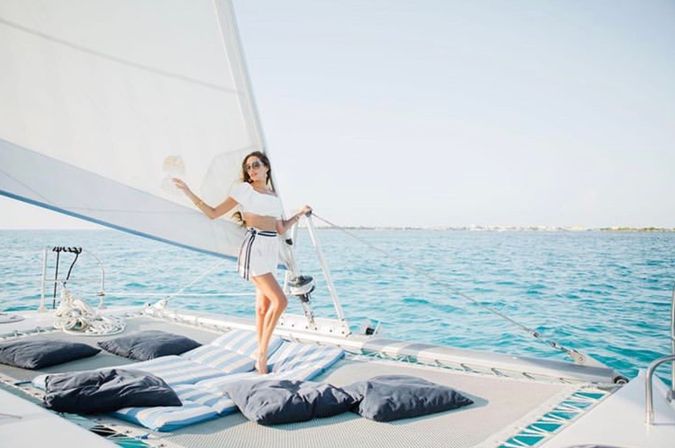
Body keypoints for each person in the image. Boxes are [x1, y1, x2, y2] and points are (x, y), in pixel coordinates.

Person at [173, 151, 311, 373]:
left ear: (266, 167)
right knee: (281, 301)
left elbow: (280, 228)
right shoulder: (244, 191)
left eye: (256, 165)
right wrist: (188, 192)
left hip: (270, 249)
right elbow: (213, 213)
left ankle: (259, 349)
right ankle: (263, 355)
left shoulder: (274, 196)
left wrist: (300, 214)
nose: (252, 170)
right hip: (254, 248)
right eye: (248, 167)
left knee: (263, 306)